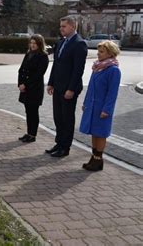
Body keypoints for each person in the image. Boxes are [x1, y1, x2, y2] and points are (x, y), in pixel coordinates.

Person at [46, 15, 88, 157]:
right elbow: (56, 65)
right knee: (58, 117)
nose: (61, 29)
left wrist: (71, 89)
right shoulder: (61, 42)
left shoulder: (79, 44)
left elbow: (78, 70)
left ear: (72, 26)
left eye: (64, 26)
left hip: (69, 89)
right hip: (57, 86)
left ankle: (65, 147)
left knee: (67, 118)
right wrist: (51, 83)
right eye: (60, 26)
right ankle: (58, 143)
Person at [79, 41, 121, 171]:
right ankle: (94, 158)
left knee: (101, 133)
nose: (98, 54)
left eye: (101, 52)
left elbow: (112, 93)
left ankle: (98, 160)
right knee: (94, 132)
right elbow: (91, 88)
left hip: (102, 108)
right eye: (98, 51)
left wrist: (106, 110)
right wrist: (85, 103)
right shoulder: (97, 67)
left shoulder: (113, 70)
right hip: (92, 106)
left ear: (110, 53)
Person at [18, 35, 49, 143]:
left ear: (40, 44)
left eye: (34, 43)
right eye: (31, 43)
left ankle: (33, 134)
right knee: (28, 111)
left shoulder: (43, 56)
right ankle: (28, 132)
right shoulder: (28, 54)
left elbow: (38, 74)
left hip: (34, 88)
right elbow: (21, 70)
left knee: (33, 112)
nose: (32, 45)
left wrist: (25, 84)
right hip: (25, 88)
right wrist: (20, 83)